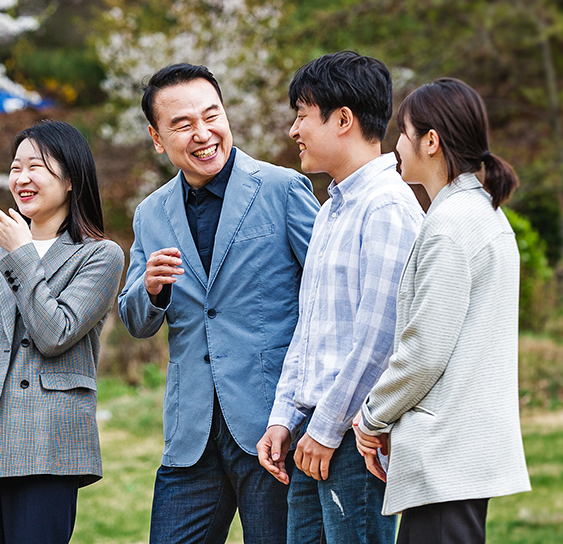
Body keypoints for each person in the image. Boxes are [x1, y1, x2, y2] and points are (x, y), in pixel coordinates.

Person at [118, 63, 321, 543]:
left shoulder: (282, 188)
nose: (203, 133)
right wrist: (151, 290)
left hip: (273, 425)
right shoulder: (150, 213)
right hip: (191, 433)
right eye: (183, 124)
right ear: (156, 137)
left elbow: (329, 291)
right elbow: (135, 320)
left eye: (211, 116)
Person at [0, 120, 125, 544]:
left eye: (37, 166)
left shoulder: (100, 256)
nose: (22, 178)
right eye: (16, 167)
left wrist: (20, 252)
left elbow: (55, 333)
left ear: (71, 179)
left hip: (46, 445)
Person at [354, 77, 531, 544]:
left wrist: (372, 417)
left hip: (446, 457)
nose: (396, 146)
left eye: (403, 133)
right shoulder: (481, 214)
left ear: (430, 142)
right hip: (459, 457)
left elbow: (425, 350)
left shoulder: (450, 226)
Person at [256, 51, 423, 543]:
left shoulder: (387, 208)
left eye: (302, 116)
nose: (293, 131)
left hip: (357, 436)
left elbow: (382, 339)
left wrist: (326, 429)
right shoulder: (331, 208)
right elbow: (309, 331)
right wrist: (284, 417)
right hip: (314, 431)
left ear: (343, 120)